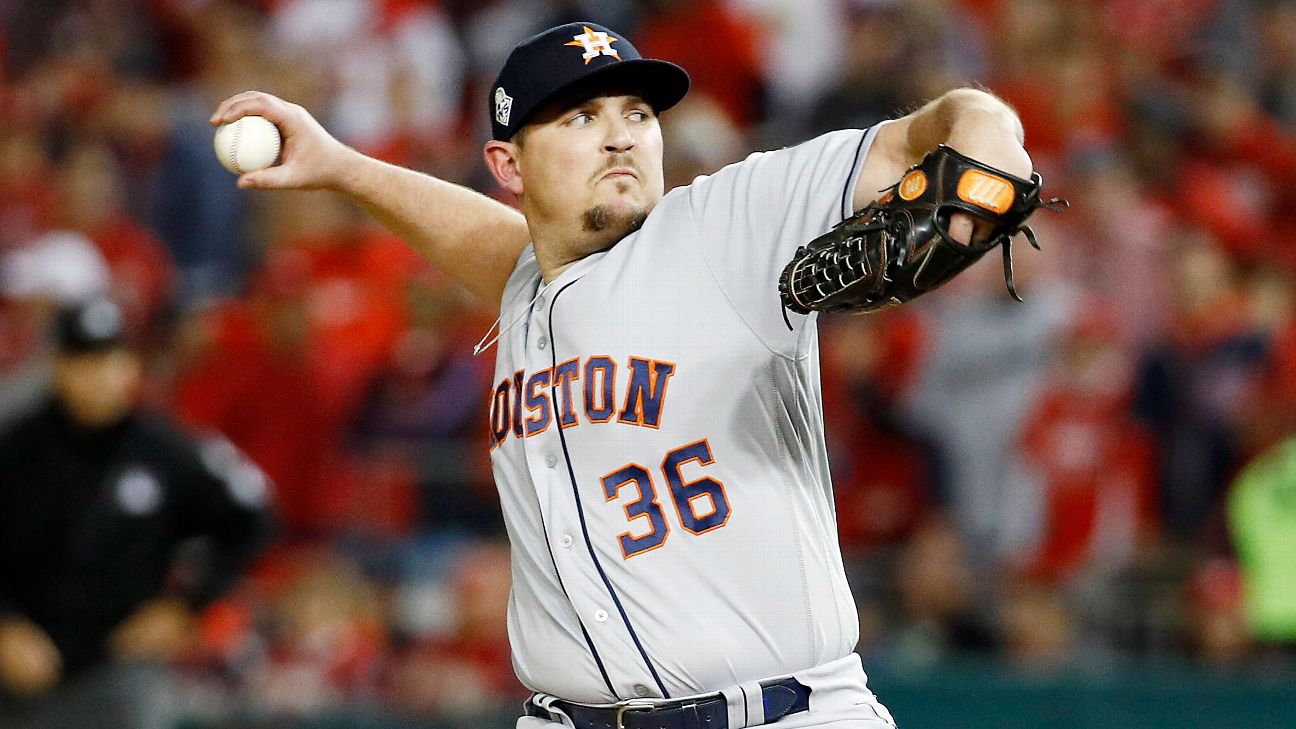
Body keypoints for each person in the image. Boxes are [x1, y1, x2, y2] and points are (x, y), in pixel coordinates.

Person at [210, 20, 1033, 729]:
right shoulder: (529, 287)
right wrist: (341, 167)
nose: (621, 135)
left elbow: (925, 133)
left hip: (779, 709)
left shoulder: (724, 225)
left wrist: (988, 139)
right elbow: (490, 241)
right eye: (581, 117)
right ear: (508, 164)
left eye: (638, 113)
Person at [0, 297, 274, 729]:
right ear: (57, 367)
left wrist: (186, 606)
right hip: (22, 677)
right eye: (83, 360)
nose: (98, 376)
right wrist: (4, 626)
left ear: (132, 367)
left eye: (111, 360)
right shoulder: (15, 448)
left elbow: (250, 520)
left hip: (121, 670)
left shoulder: (165, 449)